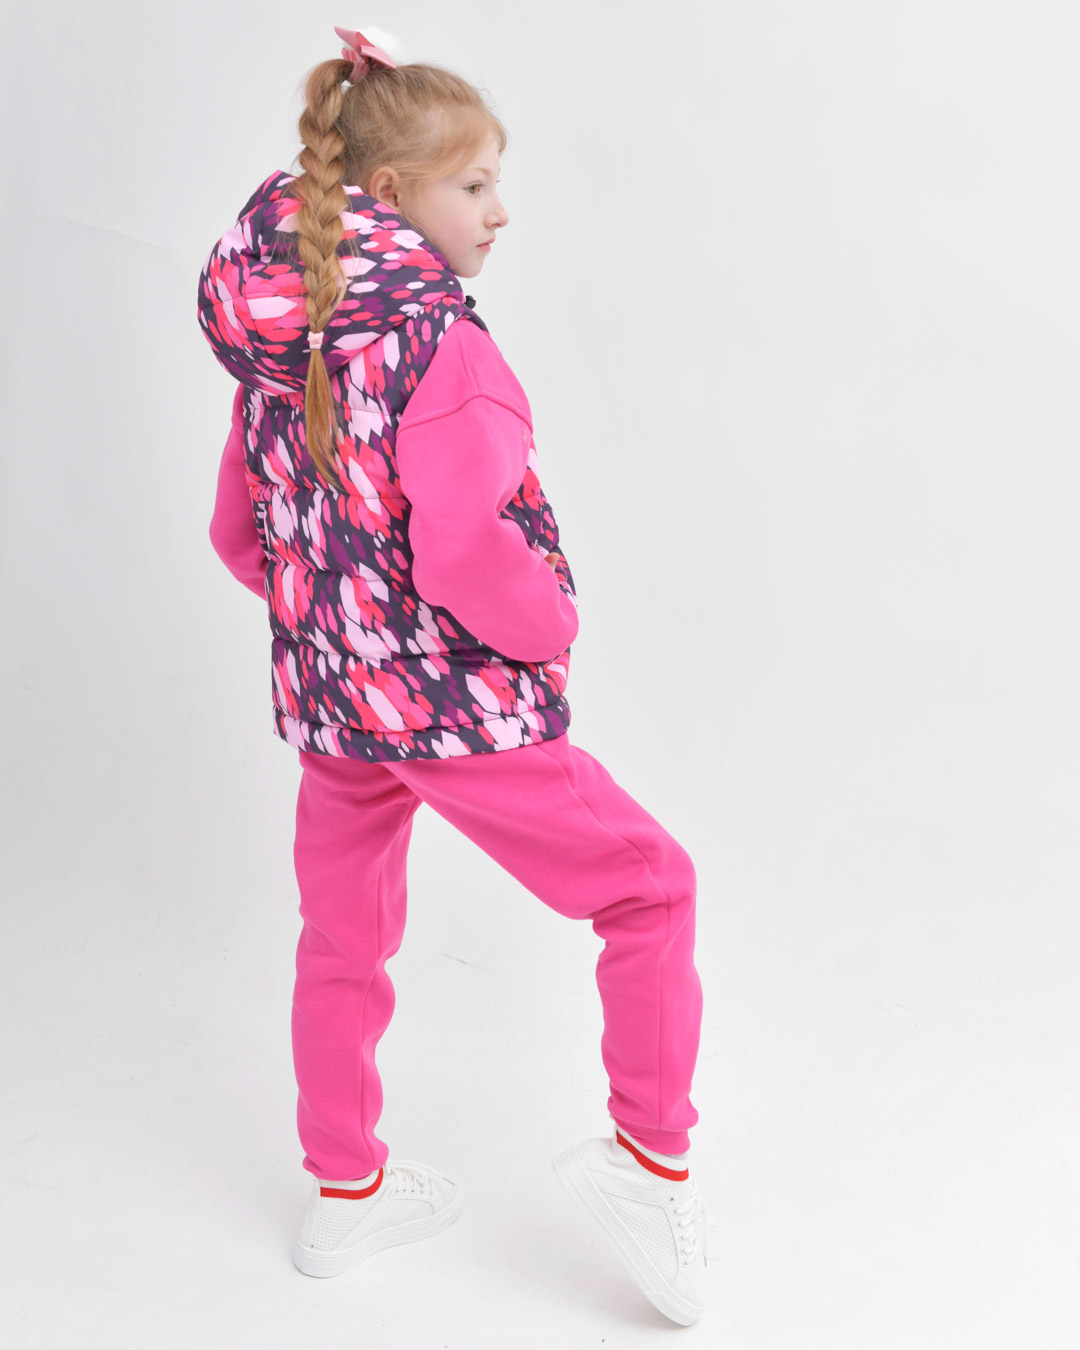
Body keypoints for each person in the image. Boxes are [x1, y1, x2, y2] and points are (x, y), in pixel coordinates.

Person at [196, 25, 712, 1326]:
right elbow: (468, 546)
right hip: (455, 705)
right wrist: (546, 626)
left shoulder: (286, 344)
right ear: (391, 195)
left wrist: (338, 629)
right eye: (474, 184)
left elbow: (238, 534)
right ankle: (650, 1164)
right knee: (651, 887)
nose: (500, 210)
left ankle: (345, 1190)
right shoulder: (441, 344)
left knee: (342, 937)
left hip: (337, 708)